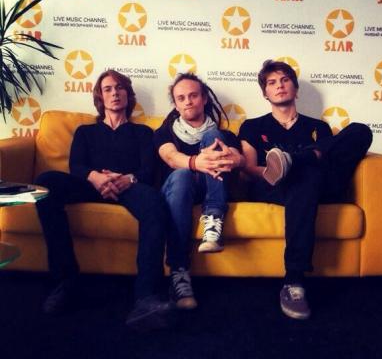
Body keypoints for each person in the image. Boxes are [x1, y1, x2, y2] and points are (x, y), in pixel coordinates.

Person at [35, 70, 172, 331]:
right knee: (46, 182)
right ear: (100, 97)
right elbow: (76, 166)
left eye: (120, 88)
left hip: (129, 187)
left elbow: (148, 171)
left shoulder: (143, 133)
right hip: (90, 185)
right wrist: (96, 177)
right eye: (108, 89)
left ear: (128, 95)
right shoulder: (86, 131)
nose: (114, 93)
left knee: (155, 202)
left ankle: (145, 297)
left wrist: (127, 179)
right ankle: (66, 281)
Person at [239, 60, 372, 320]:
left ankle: (294, 160)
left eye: (285, 80)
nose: (279, 86)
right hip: (272, 186)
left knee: (360, 131)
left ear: (296, 89)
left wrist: (294, 163)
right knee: (305, 176)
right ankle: (294, 280)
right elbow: (248, 169)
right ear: (265, 93)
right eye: (272, 83)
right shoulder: (253, 126)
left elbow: (328, 162)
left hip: (318, 185)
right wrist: (280, 172)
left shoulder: (318, 127)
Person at [154, 73, 244, 310]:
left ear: (204, 98)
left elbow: (240, 158)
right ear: (175, 104)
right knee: (183, 174)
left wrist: (230, 158)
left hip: (212, 187)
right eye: (181, 98)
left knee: (213, 136)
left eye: (193, 95)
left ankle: (213, 219)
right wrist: (196, 162)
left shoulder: (224, 135)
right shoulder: (164, 132)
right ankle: (179, 272)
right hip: (178, 190)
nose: (187, 101)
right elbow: (171, 157)